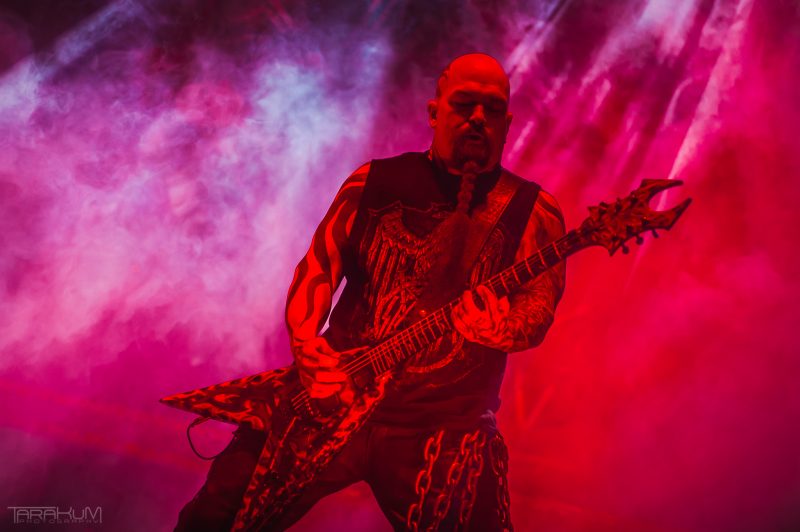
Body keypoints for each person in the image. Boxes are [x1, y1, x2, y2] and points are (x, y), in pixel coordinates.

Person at [176, 53, 566, 531]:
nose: (478, 117)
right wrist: (305, 342)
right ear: (434, 112)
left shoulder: (534, 212)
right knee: (212, 519)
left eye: (493, 108)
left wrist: (497, 328)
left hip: (445, 429)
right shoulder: (373, 182)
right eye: (465, 104)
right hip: (331, 397)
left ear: (507, 125)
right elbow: (318, 269)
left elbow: (538, 312)